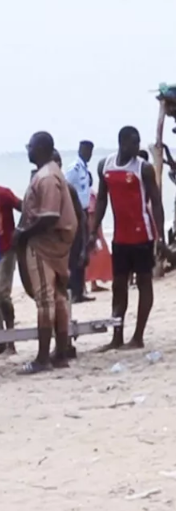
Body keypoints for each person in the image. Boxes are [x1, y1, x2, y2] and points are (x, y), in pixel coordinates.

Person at [90, 126, 165, 350]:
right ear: (123, 143)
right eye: (135, 142)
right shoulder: (105, 166)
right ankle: (117, 336)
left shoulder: (144, 168)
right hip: (121, 237)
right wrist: (93, 230)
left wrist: (160, 236)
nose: (138, 146)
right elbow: (102, 200)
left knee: (144, 283)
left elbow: (156, 202)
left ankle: (138, 336)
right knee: (119, 286)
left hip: (143, 235)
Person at [15, 133, 78, 374]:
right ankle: (60, 353)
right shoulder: (51, 172)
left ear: (39, 148)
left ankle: (43, 358)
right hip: (57, 244)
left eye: (29, 146)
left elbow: (49, 215)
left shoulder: (47, 177)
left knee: (45, 300)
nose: (28, 150)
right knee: (58, 298)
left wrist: (24, 233)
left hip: (44, 244)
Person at [0, 185, 22, 354]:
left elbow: (23, 207)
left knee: (2, 294)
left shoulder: (2, 194)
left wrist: (20, 230)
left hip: (6, 249)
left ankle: (10, 340)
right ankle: (0, 340)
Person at [65, 141, 96, 303]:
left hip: (84, 211)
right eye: (86, 150)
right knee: (76, 251)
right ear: (81, 150)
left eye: (91, 151)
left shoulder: (84, 168)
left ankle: (80, 290)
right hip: (75, 212)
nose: (88, 154)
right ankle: (74, 291)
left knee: (83, 250)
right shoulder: (74, 168)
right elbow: (66, 188)